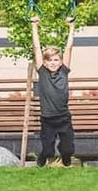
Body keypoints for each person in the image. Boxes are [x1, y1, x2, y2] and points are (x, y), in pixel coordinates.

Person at [30, 16, 75, 167]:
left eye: (56, 60)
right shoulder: (42, 72)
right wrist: (34, 26)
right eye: (50, 60)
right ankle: (43, 156)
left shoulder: (64, 71)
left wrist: (71, 27)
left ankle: (66, 156)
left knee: (68, 149)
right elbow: (37, 48)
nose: (53, 63)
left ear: (61, 61)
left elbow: (68, 48)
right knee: (49, 150)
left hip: (63, 117)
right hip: (48, 119)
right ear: (44, 62)